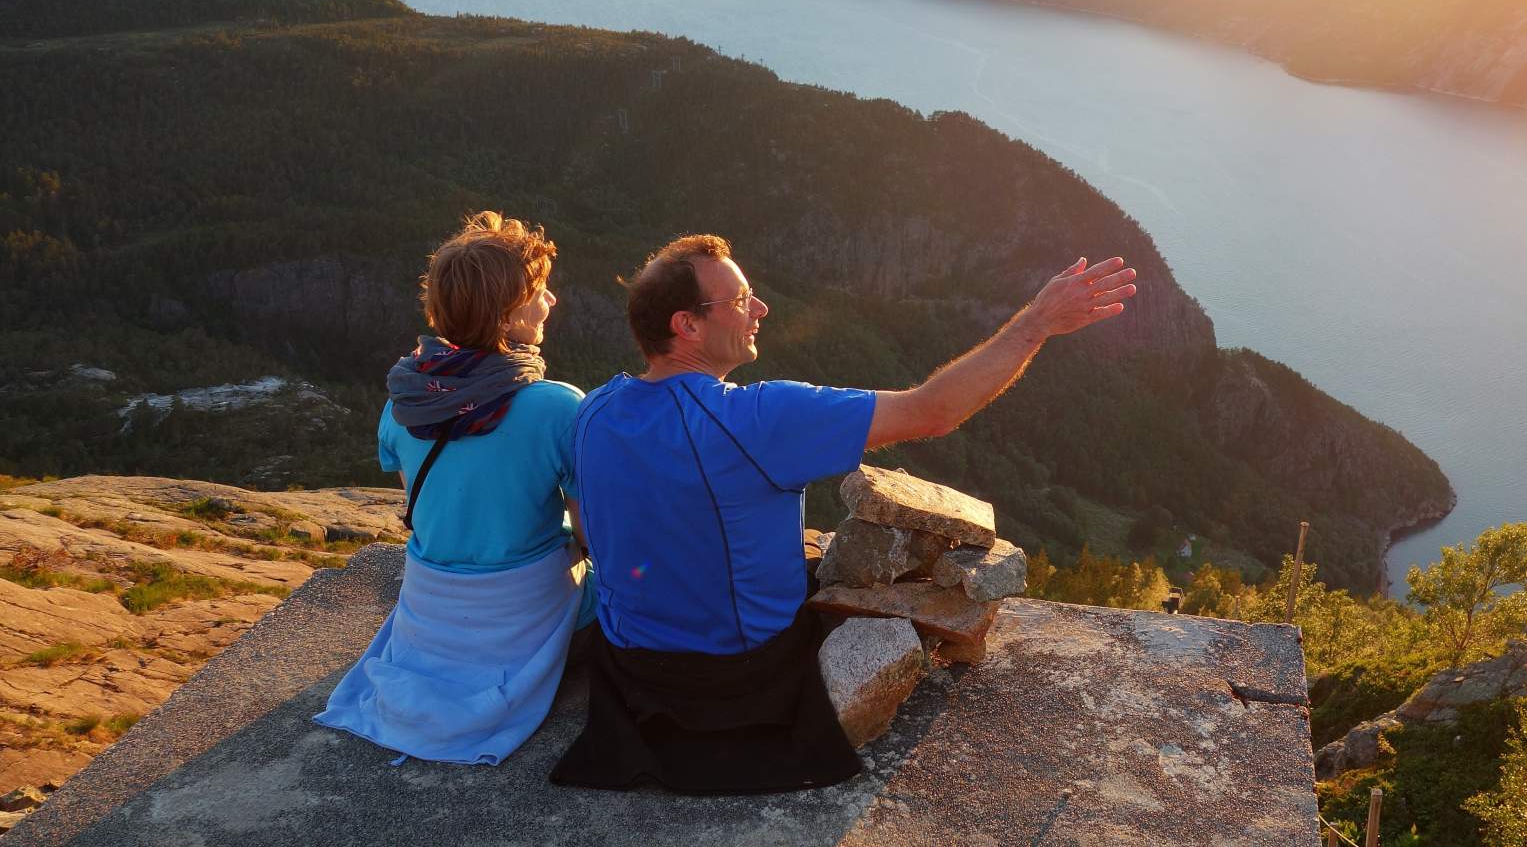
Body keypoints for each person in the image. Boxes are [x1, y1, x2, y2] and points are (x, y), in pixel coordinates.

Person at [550, 234, 1136, 793]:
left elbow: (595, 531)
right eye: (737, 300)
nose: (760, 307)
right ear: (688, 325)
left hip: (632, 671)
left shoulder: (593, 411)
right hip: (735, 678)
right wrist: (1037, 323)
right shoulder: (759, 417)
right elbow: (933, 411)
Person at [316, 211, 589, 765]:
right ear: (509, 312)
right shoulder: (557, 406)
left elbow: (427, 510)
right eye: (541, 291)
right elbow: (590, 535)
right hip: (522, 606)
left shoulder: (403, 402)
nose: (552, 301)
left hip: (431, 609)